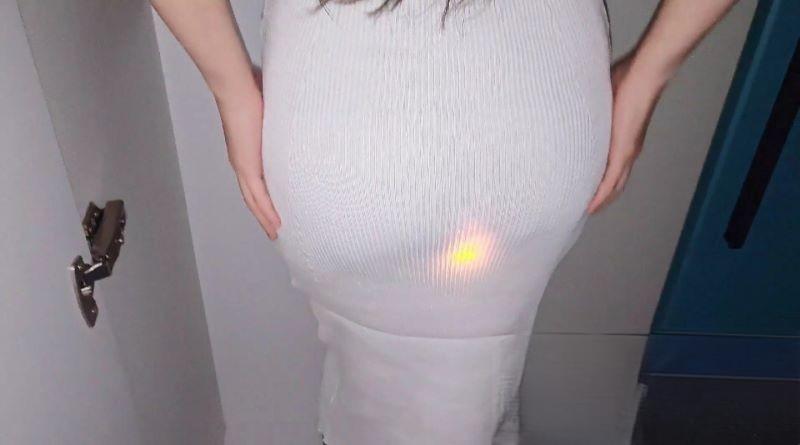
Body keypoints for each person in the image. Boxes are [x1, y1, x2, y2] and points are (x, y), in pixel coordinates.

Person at [151, 0, 739, 443]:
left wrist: (232, 89)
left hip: (342, 135)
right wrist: (647, 75)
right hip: (533, 127)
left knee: (401, 388)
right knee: (465, 389)